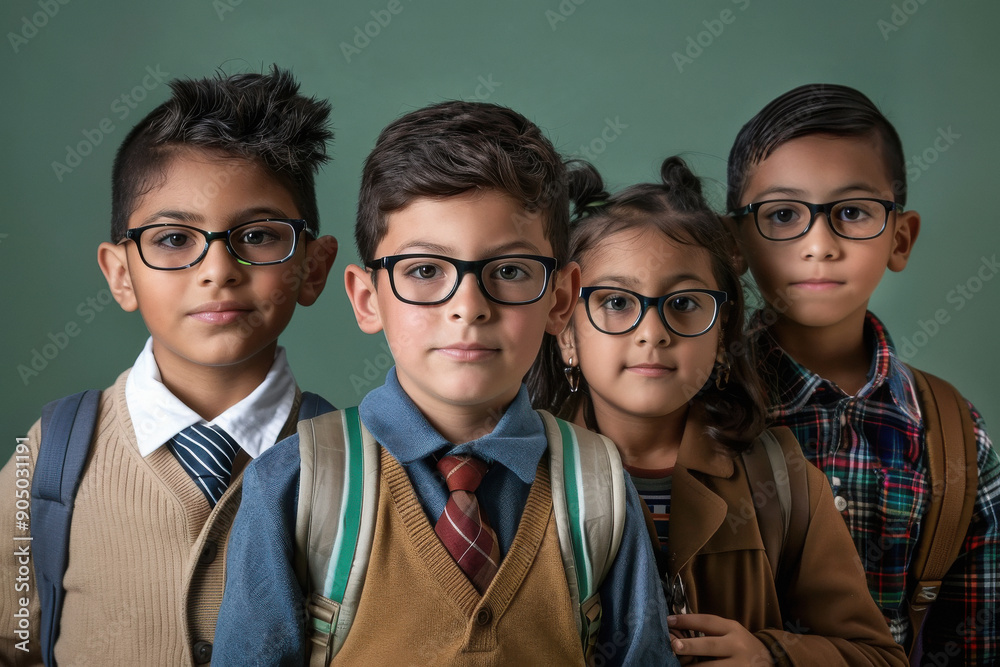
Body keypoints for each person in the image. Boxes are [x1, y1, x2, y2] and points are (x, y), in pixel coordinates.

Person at [213, 100, 677, 666]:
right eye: (425, 271)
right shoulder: (295, 485)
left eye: (508, 271)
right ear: (366, 299)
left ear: (560, 299)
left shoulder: (598, 488)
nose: (469, 308)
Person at [0, 66, 338, 666]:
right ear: (120, 273)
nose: (217, 269)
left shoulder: (352, 467)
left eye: (259, 235)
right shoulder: (48, 457)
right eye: (174, 239)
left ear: (312, 268)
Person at [529, 156, 908, 665]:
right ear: (566, 331)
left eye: (684, 304)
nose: (652, 331)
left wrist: (772, 656)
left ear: (724, 333)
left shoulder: (785, 482)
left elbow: (878, 656)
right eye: (616, 302)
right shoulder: (524, 477)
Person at [726, 83, 998, 663]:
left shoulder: (955, 437)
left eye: (851, 213)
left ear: (901, 239)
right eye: (782, 215)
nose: (819, 245)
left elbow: (977, 638)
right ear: (735, 245)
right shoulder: (694, 402)